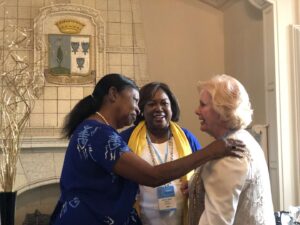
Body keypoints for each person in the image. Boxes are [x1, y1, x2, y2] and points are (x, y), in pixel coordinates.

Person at [50, 73, 244, 225]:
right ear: (113, 95)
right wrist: (212, 151)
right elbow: (152, 176)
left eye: (163, 103)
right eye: (136, 100)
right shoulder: (99, 133)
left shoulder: (95, 129)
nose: (137, 109)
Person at [188, 74, 275, 225]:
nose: (196, 110)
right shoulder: (246, 139)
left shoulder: (229, 155)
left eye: (202, 105)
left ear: (221, 111)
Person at [120, 82, 201, 225]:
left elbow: (203, 173)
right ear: (142, 109)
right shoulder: (126, 139)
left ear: (172, 107)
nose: (159, 108)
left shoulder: (187, 138)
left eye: (164, 103)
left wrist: (194, 183)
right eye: (151, 104)